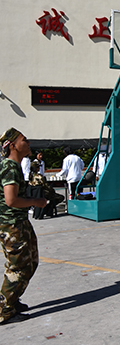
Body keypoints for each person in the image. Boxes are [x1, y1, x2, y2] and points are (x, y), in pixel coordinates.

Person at [0, 127, 48, 324]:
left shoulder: (15, 165)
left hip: (19, 222)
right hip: (11, 225)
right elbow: (11, 200)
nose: (28, 143)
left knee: (31, 262)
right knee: (18, 267)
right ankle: (4, 310)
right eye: (24, 140)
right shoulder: (10, 167)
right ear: (13, 145)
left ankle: (12, 300)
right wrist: (36, 202)